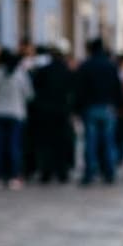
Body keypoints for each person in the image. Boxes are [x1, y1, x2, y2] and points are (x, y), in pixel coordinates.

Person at [75, 38, 123, 185]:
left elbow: (80, 89)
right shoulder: (111, 65)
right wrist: (118, 105)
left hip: (91, 107)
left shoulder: (86, 65)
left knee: (90, 142)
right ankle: (109, 172)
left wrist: (78, 108)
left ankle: (90, 172)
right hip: (108, 107)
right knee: (108, 141)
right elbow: (117, 87)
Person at [0, 49, 33, 189]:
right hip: (15, 113)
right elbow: (29, 94)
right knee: (13, 145)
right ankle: (14, 175)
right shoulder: (20, 74)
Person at [31, 41, 76, 184]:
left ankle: (46, 171)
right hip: (61, 112)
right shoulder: (67, 72)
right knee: (61, 142)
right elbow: (72, 92)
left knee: (46, 143)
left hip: (45, 112)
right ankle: (62, 172)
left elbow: (35, 91)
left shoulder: (43, 71)